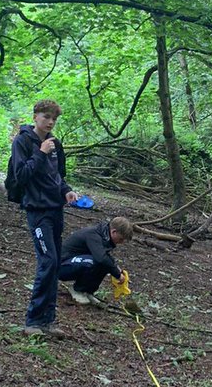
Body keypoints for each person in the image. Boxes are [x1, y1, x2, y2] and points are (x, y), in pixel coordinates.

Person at [10, 100, 78, 337]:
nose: (50, 122)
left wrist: (66, 191)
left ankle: (48, 321)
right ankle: (33, 321)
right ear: (35, 116)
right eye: (46, 117)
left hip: (55, 208)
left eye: (54, 119)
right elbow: (20, 176)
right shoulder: (23, 141)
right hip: (37, 210)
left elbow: (58, 176)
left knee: (56, 263)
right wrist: (40, 153)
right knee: (47, 261)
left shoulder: (55, 145)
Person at [59, 216, 133, 304]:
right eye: (121, 239)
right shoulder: (93, 235)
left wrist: (116, 268)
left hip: (76, 261)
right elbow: (101, 258)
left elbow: (106, 258)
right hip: (61, 266)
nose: (121, 242)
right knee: (96, 261)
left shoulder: (104, 237)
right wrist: (117, 274)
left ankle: (88, 291)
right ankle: (77, 290)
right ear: (114, 232)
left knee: (106, 264)